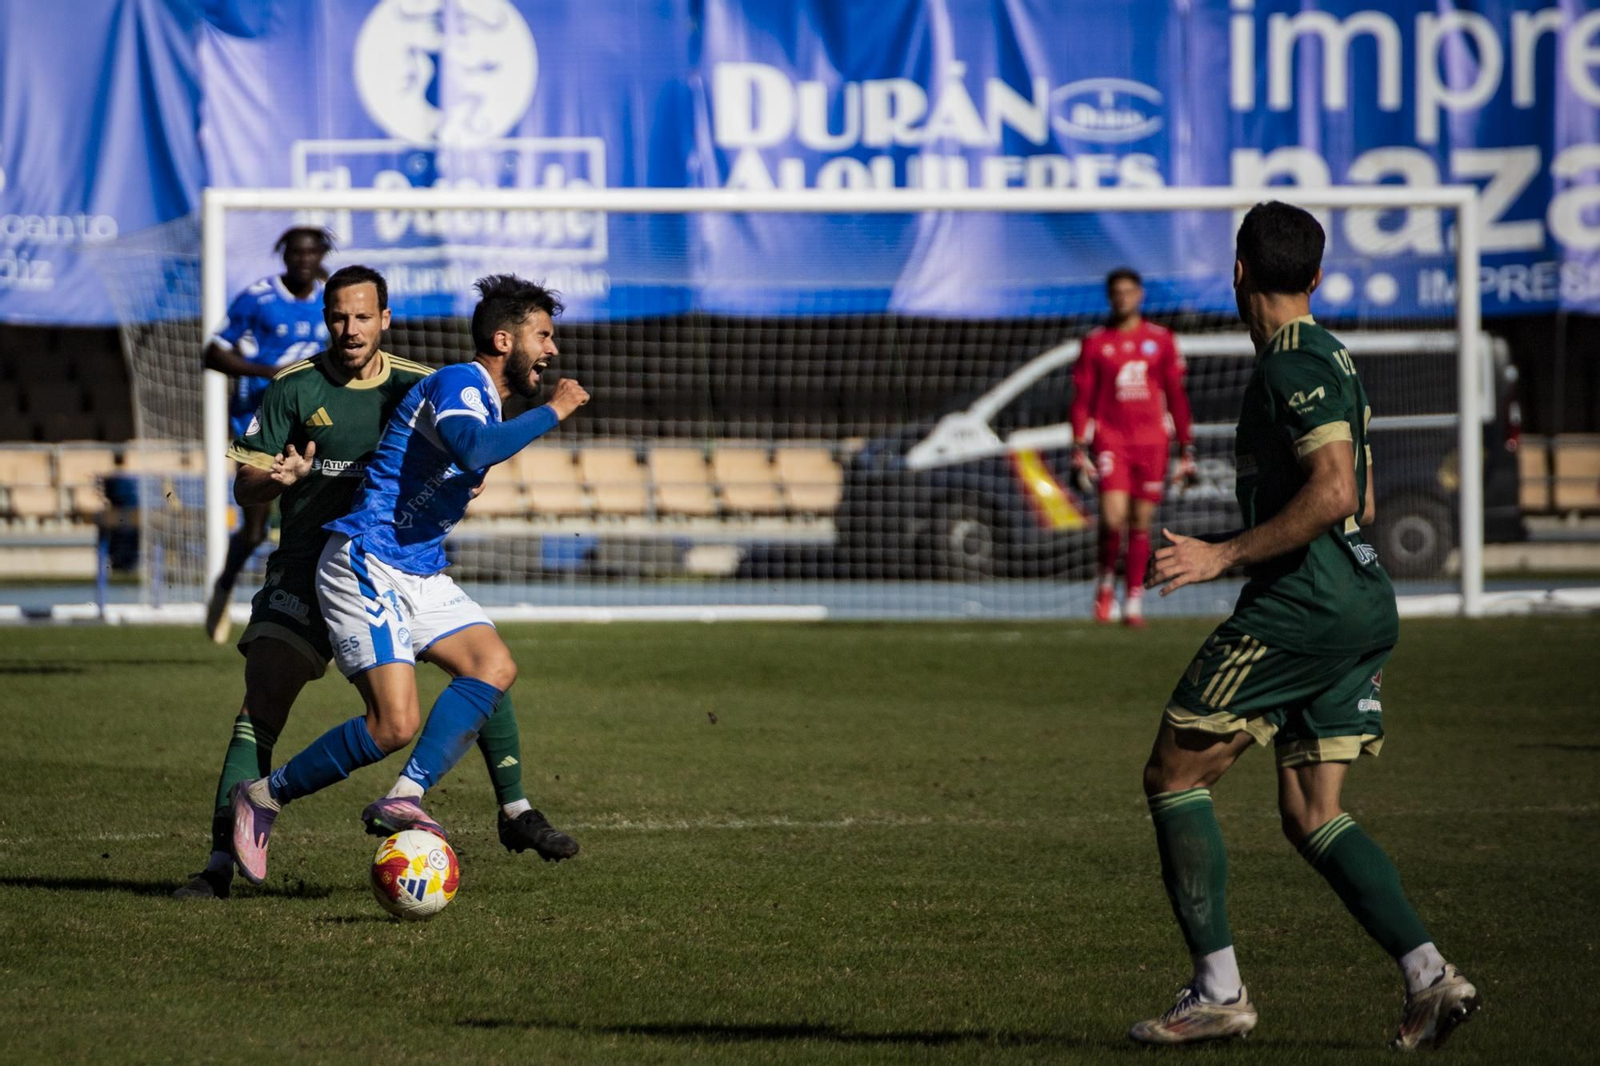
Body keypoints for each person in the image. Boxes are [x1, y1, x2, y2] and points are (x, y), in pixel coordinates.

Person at [1130, 202, 1479, 1050]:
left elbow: (1336, 492)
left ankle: (1218, 992)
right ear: (1317, 276)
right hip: (1358, 597)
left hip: (1306, 603)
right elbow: (1359, 495)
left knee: (1175, 773)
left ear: (1238, 271)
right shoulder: (1331, 356)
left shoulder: (1291, 361)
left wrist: (1222, 554)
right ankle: (1430, 976)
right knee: (1311, 809)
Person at [174, 266, 577, 901]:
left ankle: (497, 806)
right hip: (330, 561)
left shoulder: (423, 381)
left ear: (384, 319)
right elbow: (245, 484)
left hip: (408, 562)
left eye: (362, 316)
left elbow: (460, 449)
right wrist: (276, 478)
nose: (350, 328)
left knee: (490, 664)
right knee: (279, 710)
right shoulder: (296, 387)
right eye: (338, 317)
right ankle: (221, 860)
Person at [203, 228, 334, 645]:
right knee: (256, 529)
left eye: (312, 253)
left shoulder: (330, 300)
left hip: (309, 420)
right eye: (296, 253)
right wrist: (269, 373)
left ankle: (299, 609)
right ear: (284, 255)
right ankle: (225, 585)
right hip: (258, 420)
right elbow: (213, 352)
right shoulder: (258, 298)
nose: (304, 260)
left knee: (317, 518)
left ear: (321, 256)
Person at [1070, 268, 1195, 627]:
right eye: (1117, 292)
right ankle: (1106, 584)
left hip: (1152, 442)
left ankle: (1134, 601)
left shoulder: (1161, 339)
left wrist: (1186, 447)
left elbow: (1176, 397)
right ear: (1110, 297)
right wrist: (1078, 445)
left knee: (1140, 522)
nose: (1123, 298)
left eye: (1129, 291)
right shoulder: (1096, 343)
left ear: (1140, 295)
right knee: (1112, 518)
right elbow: (1082, 400)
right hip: (1111, 439)